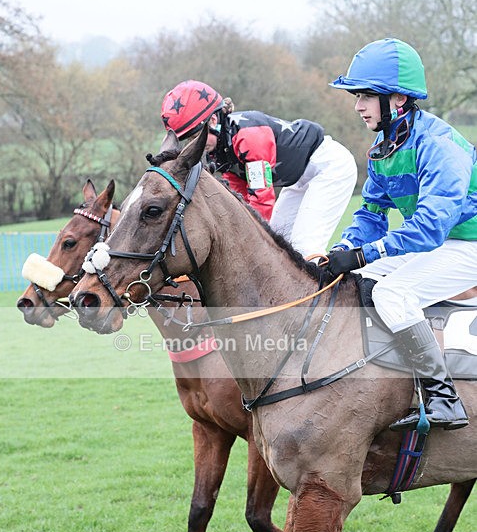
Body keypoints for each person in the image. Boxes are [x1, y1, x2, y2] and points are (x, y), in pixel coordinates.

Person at [327, 37, 477, 431]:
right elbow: (371, 215)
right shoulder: (383, 148)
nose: (357, 106)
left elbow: (429, 227)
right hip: (442, 243)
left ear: (396, 99)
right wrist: (343, 249)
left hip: (469, 244)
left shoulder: (441, 146)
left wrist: (366, 252)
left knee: (392, 292)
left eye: (365, 96)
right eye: (356, 96)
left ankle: (444, 399)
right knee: (356, 279)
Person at [160, 80, 357, 257]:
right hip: (298, 179)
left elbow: (261, 197)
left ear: (213, 121)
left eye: (195, 137)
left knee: (305, 246)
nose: (194, 145)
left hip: (329, 167)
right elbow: (242, 199)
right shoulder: (219, 151)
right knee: (281, 244)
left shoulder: (248, 135)